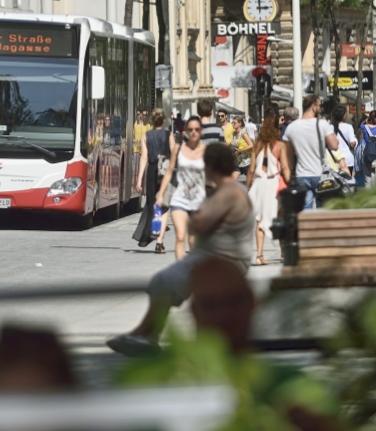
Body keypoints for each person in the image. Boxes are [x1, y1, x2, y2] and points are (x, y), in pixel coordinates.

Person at [109, 143, 255, 355]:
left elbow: (200, 223)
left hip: (221, 261)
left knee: (164, 281)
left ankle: (146, 334)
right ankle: (146, 333)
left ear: (211, 166)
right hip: (214, 258)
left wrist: (196, 207)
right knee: (164, 281)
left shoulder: (229, 192)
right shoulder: (226, 190)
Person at [156, 116, 206, 259]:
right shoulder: (178, 149)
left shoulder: (206, 151)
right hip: (179, 199)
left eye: (197, 129)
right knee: (180, 237)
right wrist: (160, 196)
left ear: (201, 131)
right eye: (190, 129)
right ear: (185, 131)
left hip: (199, 200)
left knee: (193, 240)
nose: (194, 132)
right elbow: (169, 172)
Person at [246, 110, 289, 266]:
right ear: (277, 130)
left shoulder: (257, 145)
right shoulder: (279, 145)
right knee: (280, 217)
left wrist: (247, 185)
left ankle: (259, 255)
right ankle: (284, 253)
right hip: (273, 183)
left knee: (259, 220)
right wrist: (289, 182)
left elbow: (251, 169)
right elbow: (284, 167)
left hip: (258, 183)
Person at [282, 95, 339, 210]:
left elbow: (288, 154)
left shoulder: (292, 127)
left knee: (305, 210)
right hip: (321, 174)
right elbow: (334, 145)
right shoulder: (322, 124)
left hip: (301, 174)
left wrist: (292, 168)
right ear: (313, 107)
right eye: (320, 105)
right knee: (323, 210)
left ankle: (307, 228)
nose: (321, 108)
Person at [132, 108, 173, 253]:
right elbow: (174, 153)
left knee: (153, 203)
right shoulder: (169, 135)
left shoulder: (146, 135)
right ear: (163, 120)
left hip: (151, 171)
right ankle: (159, 242)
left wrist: (139, 179)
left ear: (152, 121)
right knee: (164, 205)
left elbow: (144, 157)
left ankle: (154, 231)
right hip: (165, 171)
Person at [329, 104, 357, 187]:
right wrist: (355, 141)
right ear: (344, 115)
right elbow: (352, 142)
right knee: (347, 184)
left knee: (335, 184)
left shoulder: (329, 127)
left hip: (333, 159)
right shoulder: (348, 127)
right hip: (347, 159)